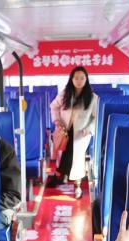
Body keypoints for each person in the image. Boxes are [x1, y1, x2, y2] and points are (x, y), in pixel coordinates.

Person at [50, 66, 99, 199]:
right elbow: (54, 106)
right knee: (63, 155)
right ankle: (61, 176)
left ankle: (77, 185)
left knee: (77, 159)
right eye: (76, 78)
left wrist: (90, 129)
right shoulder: (64, 94)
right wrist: (57, 121)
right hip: (64, 130)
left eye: (82, 78)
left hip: (81, 133)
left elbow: (96, 117)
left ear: (86, 79)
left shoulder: (93, 98)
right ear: (71, 79)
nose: (79, 81)